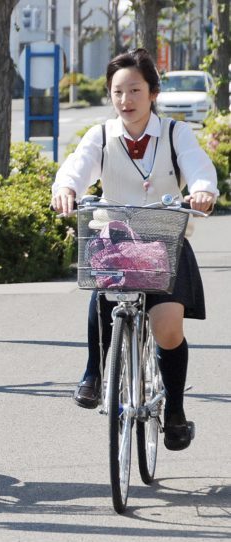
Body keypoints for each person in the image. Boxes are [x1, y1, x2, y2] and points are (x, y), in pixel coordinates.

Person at [51, 48, 217, 451]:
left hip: (165, 239)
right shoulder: (102, 135)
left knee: (167, 328)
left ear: (153, 93)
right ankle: (94, 371)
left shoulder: (177, 133)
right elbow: (78, 164)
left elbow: (198, 165)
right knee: (102, 288)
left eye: (135, 91)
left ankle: (174, 411)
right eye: (118, 92)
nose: (126, 101)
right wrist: (66, 188)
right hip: (116, 240)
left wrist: (201, 190)